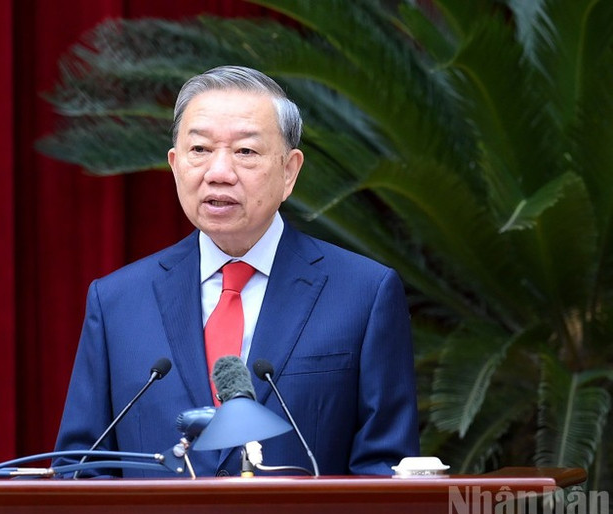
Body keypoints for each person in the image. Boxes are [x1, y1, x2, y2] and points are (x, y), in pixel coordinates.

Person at [53, 65, 419, 477]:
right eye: (200, 150)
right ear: (175, 165)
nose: (219, 173)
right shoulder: (117, 301)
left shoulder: (363, 294)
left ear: (289, 171)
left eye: (245, 151)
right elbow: (82, 468)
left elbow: (385, 470)